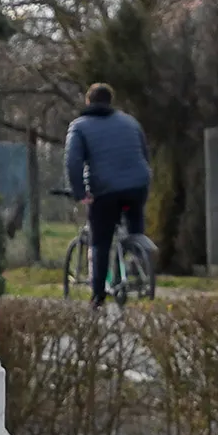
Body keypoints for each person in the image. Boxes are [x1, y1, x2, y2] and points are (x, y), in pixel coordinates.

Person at [64, 84, 153, 306]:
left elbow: (73, 161)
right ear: (110, 101)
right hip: (138, 186)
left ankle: (98, 298)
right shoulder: (131, 122)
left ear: (88, 101)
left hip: (105, 190)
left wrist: (80, 192)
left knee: (101, 241)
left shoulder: (79, 126)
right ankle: (137, 264)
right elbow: (144, 154)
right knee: (134, 227)